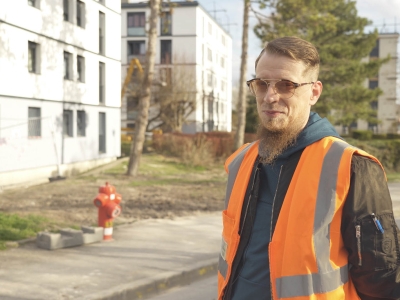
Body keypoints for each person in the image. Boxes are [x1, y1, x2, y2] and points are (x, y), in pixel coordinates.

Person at [217, 36, 400, 300]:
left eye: (286, 85)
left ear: (314, 92)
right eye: (262, 84)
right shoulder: (239, 162)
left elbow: (381, 280)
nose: (270, 96)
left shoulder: (352, 166)